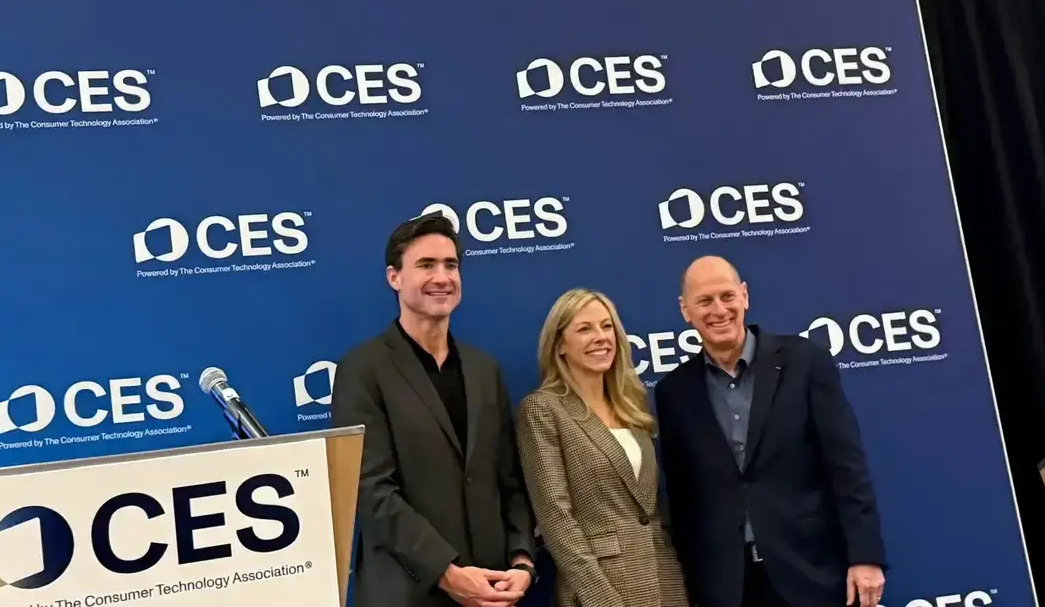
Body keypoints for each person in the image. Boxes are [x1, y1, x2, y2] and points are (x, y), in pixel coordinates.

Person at [654, 255, 887, 607]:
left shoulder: (805, 361)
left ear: (745, 295)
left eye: (727, 296)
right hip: (728, 587)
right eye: (704, 301)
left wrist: (865, 557)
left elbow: (846, 466)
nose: (719, 310)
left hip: (812, 572)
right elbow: (685, 499)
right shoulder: (674, 391)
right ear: (685, 310)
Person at [331, 213, 538, 607]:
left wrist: (523, 560)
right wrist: (447, 572)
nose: (442, 277)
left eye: (451, 265)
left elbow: (509, 481)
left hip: (494, 592)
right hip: (407, 592)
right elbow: (372, 491)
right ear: (394, 277)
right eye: (426, 265)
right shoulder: (363, 369)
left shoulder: (484, 370)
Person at [515, 288, 690, 607]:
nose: (600, 337)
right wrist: (600, 597)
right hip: (601, 589)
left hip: (666, 581)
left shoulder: (631, 405)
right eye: (585, 329)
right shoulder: (543, 410)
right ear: (560, 345)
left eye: (607, 326)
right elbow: (556, 517)